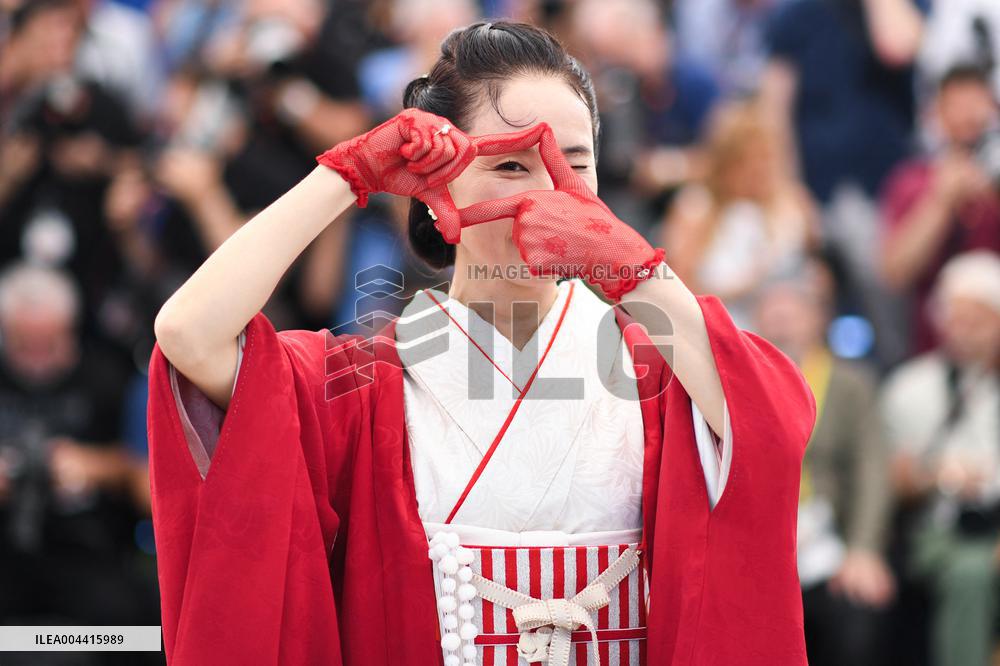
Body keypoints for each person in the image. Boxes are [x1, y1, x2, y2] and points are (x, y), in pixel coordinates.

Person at [148, 21, 815, 665]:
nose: (550, 192)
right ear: (436, 188)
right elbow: (188, 333)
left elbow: (771, 426)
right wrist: (346, 174)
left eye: (574, 163)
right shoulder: (363, 385)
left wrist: (638, 272)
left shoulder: (658, 371)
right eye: (511, 165)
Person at [754, 255, 895, 666]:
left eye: (793, 307)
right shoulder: (741, 379)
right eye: (772, 307)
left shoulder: (851, 385)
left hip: (828, 534)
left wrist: (864, 548)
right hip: (765, 536)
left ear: (819, 317)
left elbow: (872, 470)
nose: (782, 318)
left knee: (854, 618)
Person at [882, 250, 1000, 666]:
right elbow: (892, 482)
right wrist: (938, 478)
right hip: (940, 528)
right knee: (972, 572)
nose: (964, 331)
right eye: (956, 318)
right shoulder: (908, 387)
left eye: (978, 320)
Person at [662, 99, 816, 328]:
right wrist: (746, 286)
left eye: (767, 161)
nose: (760, 173)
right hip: (717, 330)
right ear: (724, 164)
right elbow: (677, 290)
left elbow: (817, 272)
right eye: (748, 164)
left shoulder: (794, 204)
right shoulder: (696, 208)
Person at [880, 64, 1000, 353]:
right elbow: (894, 272)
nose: (968, 118)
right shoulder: (911, 182)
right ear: (936, 115)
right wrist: (941, 201)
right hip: (933, 350)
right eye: (957, 106)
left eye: (976, 105)